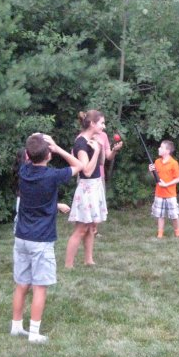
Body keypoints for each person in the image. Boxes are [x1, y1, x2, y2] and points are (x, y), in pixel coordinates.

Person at [11, 133, 82, 343]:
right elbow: (79, 166)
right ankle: (34, 333)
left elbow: (30, 149)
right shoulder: (52, 176)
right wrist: (58, 148)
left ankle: (16, 326)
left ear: (27, 155)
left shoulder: (23, 171)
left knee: (22, 284)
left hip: (21, 237)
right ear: (49, 155)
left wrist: (37, 139)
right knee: (39, 287)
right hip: (41, 240)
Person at [65, 110, 113, 268]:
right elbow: (86, 170)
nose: (104, 126)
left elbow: (101, 163)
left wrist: (99, 148)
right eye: (102, 123)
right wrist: (97, 151)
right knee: (81, 228)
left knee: (91, 226)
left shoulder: (93, 140)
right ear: (92, 123)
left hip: (95, 186)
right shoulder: (81, 143)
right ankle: (68, 265)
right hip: (87, 189)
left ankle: (88, 260)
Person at [12, 148, 70, 234]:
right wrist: (58, 206)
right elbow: (36, 204)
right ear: (27, 159)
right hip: (29, 229)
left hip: (25, 227)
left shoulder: (24, 174)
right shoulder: (26, 176)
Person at [149, 140, 179, 238]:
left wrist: (166, 184)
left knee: (174, 215)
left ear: (167, 151)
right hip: (159, 193)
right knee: (160, 215)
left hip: (170, 194)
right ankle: (160, 233)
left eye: (161, 147)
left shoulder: (173, 163)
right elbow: (155, 177)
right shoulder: (157, 162)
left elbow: (178, 179)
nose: (159, 148)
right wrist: (151, 171)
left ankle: (177, 232)